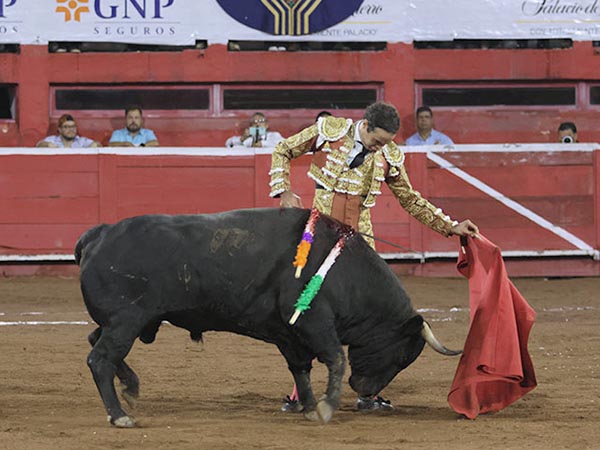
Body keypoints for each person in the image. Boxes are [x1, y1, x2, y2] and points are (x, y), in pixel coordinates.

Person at [269, 101, 478, 413]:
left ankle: (367, 390)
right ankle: (301, 392)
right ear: (364, 125)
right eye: (378, 140)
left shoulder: (388, 154)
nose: (382, 147)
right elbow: (282, 150)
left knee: (370, 317)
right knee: (310, 307)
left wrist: (450, 227)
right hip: (320, 234)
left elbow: (410, 198)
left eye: (387, 142)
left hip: (360, 243)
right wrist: (283, 189)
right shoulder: (331, 131)